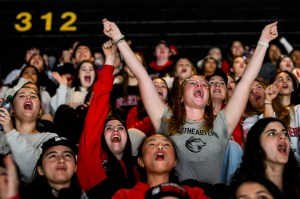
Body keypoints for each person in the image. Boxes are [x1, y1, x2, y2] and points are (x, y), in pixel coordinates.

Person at [102, 18, 279, 185]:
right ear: (180, 96)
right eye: (192, 83)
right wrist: (119, 38)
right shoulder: (166, 118)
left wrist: (264, 41)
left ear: (209, 99)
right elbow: (142, 76)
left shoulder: (222, 122)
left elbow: (246, 81)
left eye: (203, 84)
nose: (199, 85)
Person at [77, 39, 136, 199]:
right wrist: (109, 60)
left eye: (120, 128)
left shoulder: (138, 172)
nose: (115, 130)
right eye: (109, 128)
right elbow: (98, 106)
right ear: (100, 137)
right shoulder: (92, 160)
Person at [112, 134, 209, 199]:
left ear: (174, 162)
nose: (160, 146)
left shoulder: (194, 194)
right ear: (141, 161)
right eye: (152, 144)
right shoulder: (124, 196)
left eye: (166, 144)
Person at [0, 83, 58, 183]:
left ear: (40, 111)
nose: (28, 97)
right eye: (21, 95)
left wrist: (10, 132)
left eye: (33, 96)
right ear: (12, 110)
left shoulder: (50, 139)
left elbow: (37, 170)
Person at [230, 117, 300, 198]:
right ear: (257, 145)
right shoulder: (244, 190)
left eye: (285, 133)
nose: (282, 136)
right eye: (272, 133)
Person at [21, 136, 87, 199]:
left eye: (67, 155)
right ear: (40, 169)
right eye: (53, 156)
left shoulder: (91, 193)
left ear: (75, 167)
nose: (61, 160)